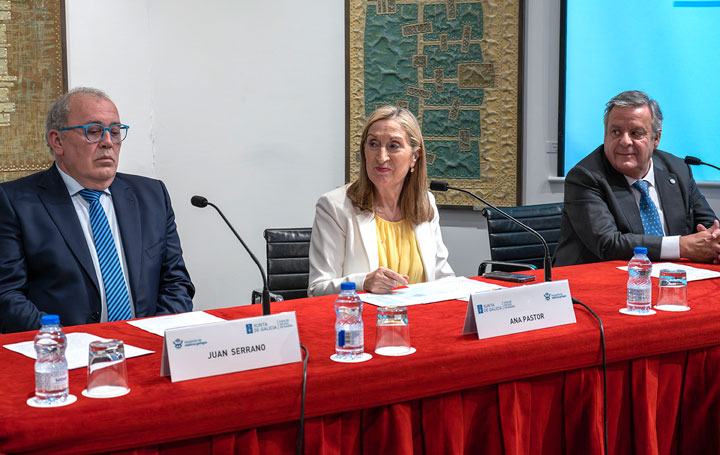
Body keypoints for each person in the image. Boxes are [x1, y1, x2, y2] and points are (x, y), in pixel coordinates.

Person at [0, 87, 194, 333]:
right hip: (65, 356)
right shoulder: (15, 202)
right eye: (93, 132)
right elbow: (7, 296)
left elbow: (176, 282)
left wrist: (153, 337)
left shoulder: (152, 196)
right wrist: (64, 343)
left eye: (114, 132)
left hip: (146, 349)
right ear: (57, 141)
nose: (107, 143)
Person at [553, 90, 720, 266]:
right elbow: (609, 244)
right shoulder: (585, 177)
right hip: (595, 281)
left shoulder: (678, 170)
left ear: (656, 138)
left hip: (670, 278)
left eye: (636, 133)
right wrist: (681, 246)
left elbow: (710, 226)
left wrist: (715, 244)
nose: (625, 141)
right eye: (616, 132)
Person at [308, 105, 454, 296]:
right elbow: (317, 289)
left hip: (420, 320)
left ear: (414, 157)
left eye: (393, 146)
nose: (381, 157)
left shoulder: (426, 202)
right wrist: (363, 283)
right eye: (373, 144)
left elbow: (443, 277)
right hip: (362, 321)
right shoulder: (334, 206)